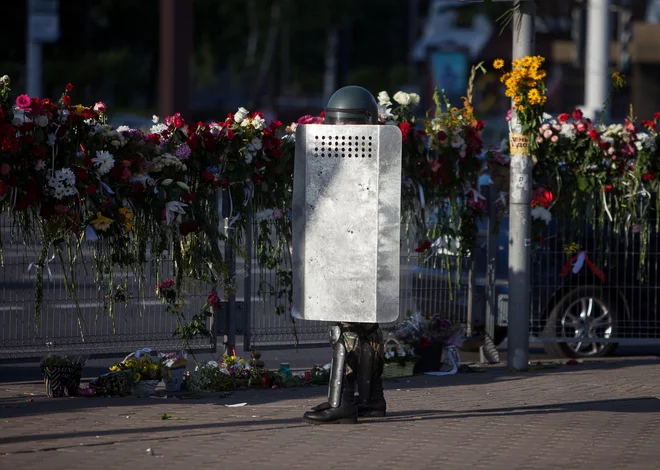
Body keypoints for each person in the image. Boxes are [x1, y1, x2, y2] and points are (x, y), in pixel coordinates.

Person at [301, 86, 387, 425]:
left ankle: (343, 401)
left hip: (356, 251)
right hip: (360, 250)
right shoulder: (380, 152)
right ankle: (370, 399)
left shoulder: (365, 157)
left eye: (343, 124)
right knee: (366, 329)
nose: (339, 131)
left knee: (345, 326)